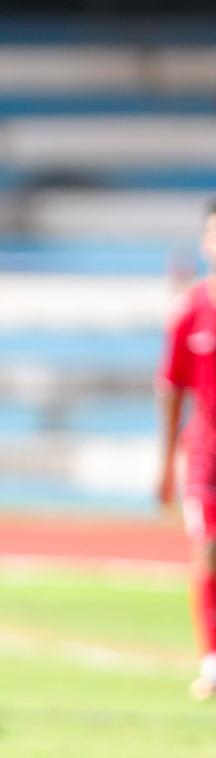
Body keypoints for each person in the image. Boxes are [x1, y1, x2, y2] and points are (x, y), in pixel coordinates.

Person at [156, 197, 216, 700]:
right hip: (207, 457)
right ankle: (212, 659)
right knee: (211, 552)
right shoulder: (190, 311)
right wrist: (165, 465)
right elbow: (171, 390)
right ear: (206, 241)